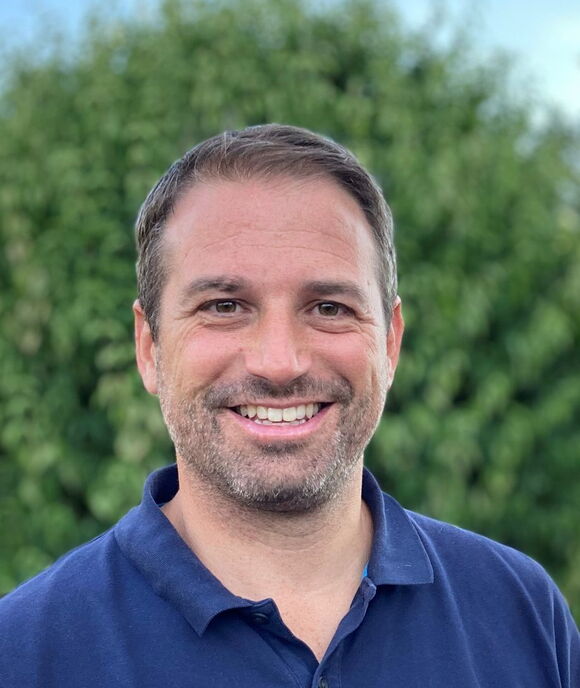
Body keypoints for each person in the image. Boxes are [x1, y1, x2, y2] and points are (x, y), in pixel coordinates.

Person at [0, 124, 578, 687]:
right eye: (224, 306)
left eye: (329, 308)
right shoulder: (23, 652)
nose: (280, 362)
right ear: (149, 347)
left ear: (390, 343)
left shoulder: (523, 613)